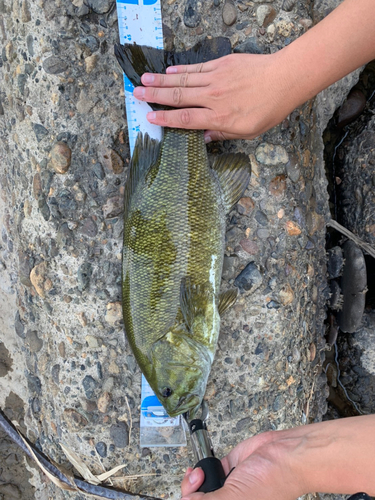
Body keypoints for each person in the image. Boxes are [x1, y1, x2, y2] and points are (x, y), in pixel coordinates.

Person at [131, 0, 375, 497]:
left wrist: (293, 465)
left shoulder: (181, 329)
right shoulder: (178, 332)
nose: (178, 397)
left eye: (170, 388)